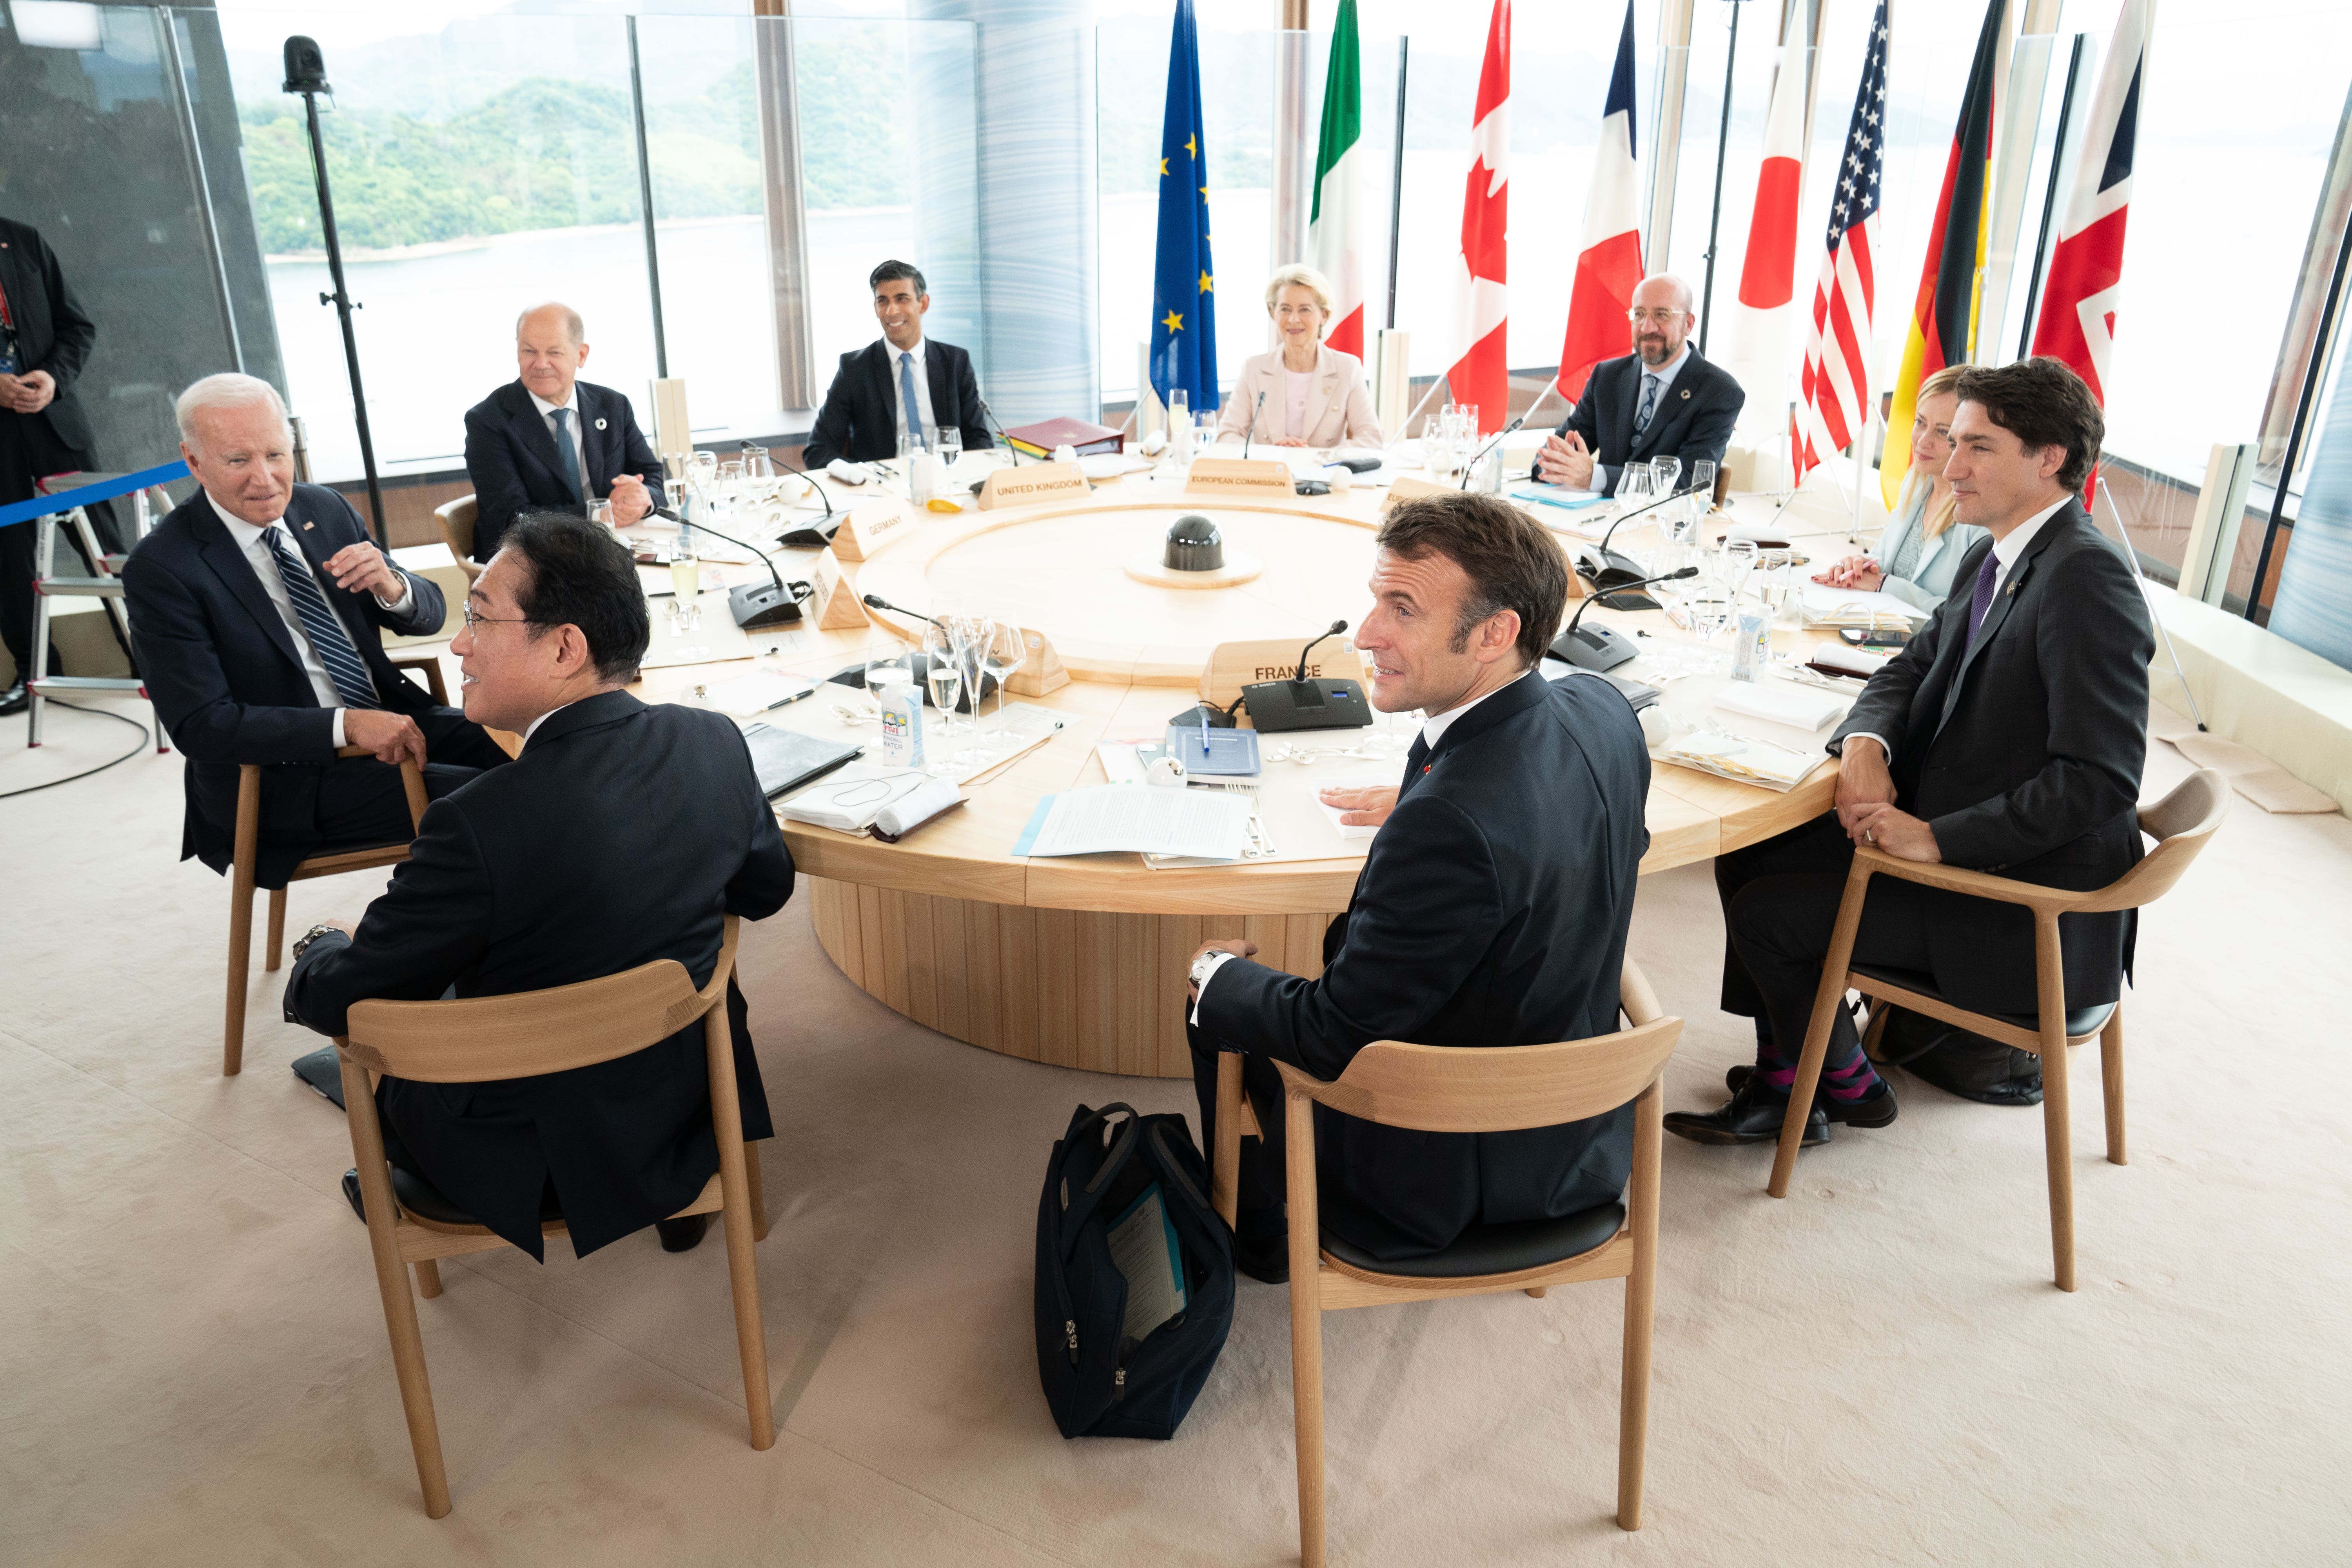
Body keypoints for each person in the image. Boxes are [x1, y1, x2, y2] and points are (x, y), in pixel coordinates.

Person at [1667, 357, 2154, 1147]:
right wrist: (1864, 742)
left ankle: (1840, 1079)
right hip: (1980, 843)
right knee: (1756, 849)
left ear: (2050, 458)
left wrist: (1935, 837)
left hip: (2027, 906)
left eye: (1978, 447)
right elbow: (1912, 665)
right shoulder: (1999, 550)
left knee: (1770, 913)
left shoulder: (2085, 581)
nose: (1948, 465)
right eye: (1951, 440)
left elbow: (2098, 779)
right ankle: (1798, 1077)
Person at [283, 514, 795, 1259]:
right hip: (690, 1109)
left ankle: (395, 1179)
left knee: (380, 1036)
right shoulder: (712, 738)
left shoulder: (474, 826)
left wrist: (318, 952)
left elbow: (341, 998)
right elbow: (766, 891)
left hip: (540, 1158)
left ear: (565, 647)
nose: (457, 644)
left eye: (479, 618)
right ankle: (673, 1199)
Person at [1185, 490, 1651, 1278]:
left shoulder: (1451, 829)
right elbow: (1593, 837)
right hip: (1583, 1146)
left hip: (1445, 1185)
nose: (1367, 635)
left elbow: (1334, 1034)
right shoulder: (1602, 709)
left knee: (1219, 1000)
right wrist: (1444, 791)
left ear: (1496, 633)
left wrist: (1214, 976)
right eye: (1376, 601)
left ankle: (1263, 1242)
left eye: (1402, 608)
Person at [123, 374, 510, 892]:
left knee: (543, 748)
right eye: (238, 461)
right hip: (285, 779)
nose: (264, 480)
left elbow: (431, 616)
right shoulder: (163, 567)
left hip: (397, 720)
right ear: (193, 461)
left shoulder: (321, 508)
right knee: (496, 802)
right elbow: (201, 726)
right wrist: (346, 725)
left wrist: (392, 586)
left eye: (276, 455)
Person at [0, 214, 127, 713]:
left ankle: (150, 658)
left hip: (55, 419)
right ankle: (35, 676)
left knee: (104, 546)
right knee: (8, 558)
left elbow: (77, 327)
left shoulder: (24, 239)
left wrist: (53, 378)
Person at [461, 302, 662, 562]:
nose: (541, 364)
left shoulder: (613, 406)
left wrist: (643, 499)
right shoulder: (487, 421)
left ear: (581, 355)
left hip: (614, 555)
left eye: (554, 353)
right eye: (529, 351)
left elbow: (654, 476)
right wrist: (601, 514)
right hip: (532, 563)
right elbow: (512, 518)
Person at [1533, 273, 1744, 495]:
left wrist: (1594, 477)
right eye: (1639, 314)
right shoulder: (1607, 376)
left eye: (1662, 315)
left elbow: (1689, 482)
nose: (1647, 327)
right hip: (1593, 520)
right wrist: (1554, 464)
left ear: (1688, 324)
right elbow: (1551, 455)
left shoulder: (1720, 392)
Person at [1813, 364, 1987, 612]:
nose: (1923, 441)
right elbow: (1881, 562)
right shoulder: (1917, 481)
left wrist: (1884, 584)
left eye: (1942, 432)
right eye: (1920, 422)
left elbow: (1965, 618)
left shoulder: (1981, 515)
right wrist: (1858, 566)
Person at [802, 260, 991, 468]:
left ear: (924, 304)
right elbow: (818, 450)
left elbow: (978, 439)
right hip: (882, 487)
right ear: (875, 308)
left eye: (902, 299)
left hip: (948, 480)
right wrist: (860, 476)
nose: (892, 311)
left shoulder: (955, 362)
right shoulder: (854, 369)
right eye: (883, 301)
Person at [1214, 264, 1384, 449]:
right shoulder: (1254, 368)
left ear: (1324, 316)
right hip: (1269, 474)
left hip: (1323, 475)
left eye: (1304, 310)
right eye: (1285, 309)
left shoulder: (1348, 369)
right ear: (1273, 313)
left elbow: (1371, 440)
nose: (1294, 319)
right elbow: (1226, 436)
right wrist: (1272, 453)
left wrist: (1313, 457)